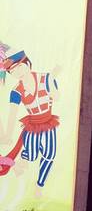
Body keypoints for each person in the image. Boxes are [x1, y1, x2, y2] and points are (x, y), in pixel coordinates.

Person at [0, 50, 60, 194]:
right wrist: (7, 135)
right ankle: (24, 158)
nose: (17, 73)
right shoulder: (16, 91)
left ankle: (39, 185)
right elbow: (12, 114)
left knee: (49, 155)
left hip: (48, 122)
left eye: (19, 67)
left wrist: (51, 81)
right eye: (12, 72)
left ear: (27, 63)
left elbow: (56, 97)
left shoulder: (46, 78)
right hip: (32, 125)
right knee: (32, 156)